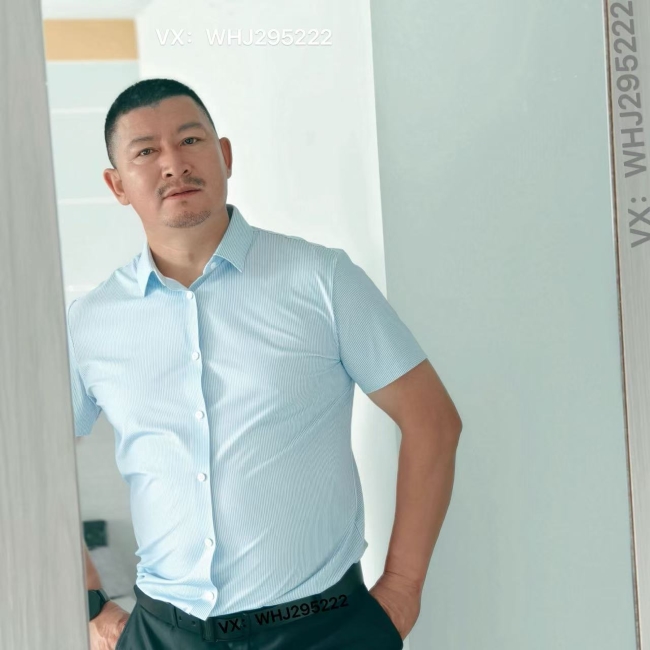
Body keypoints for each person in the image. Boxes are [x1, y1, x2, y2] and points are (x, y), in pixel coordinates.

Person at [67, 78, 462, 649]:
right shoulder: (91, 322)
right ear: (117, 185)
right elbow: (30, 470)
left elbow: (433, 422)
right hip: (164, 633)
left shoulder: (321, 279)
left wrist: (403, 587)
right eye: (146, 151)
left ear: (224, 155)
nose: (174, 164)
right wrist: (88, 603)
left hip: (324, 629)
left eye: (191, 140)